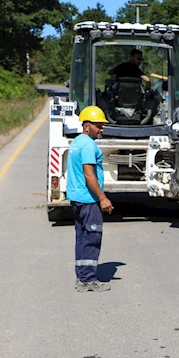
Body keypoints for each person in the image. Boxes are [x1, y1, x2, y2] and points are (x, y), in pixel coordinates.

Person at [67, 106, 114, 292]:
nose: (102, 129)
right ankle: (88, 280)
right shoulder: (88, 145)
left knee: (82, 237)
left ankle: (81, 276)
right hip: (88, 199)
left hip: (77, 198)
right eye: (98, 125)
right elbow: (89, 175)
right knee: (92, 238)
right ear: (87, 126)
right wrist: (103, 198)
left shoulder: (77, 142)